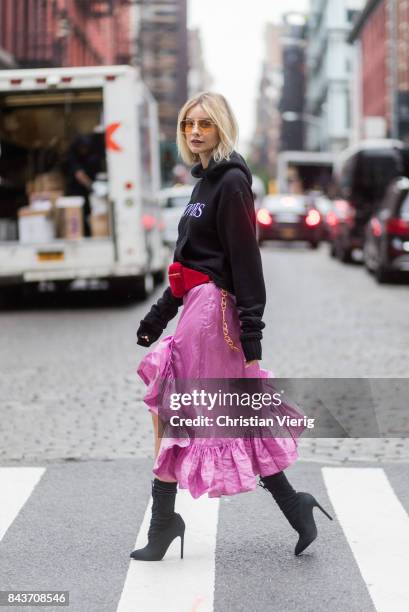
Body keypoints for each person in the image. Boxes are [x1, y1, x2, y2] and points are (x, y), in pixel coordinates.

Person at [130, 92, 333, 562]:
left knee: (182, 411)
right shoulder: (202, 184)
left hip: (214, 317)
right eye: (187, 125)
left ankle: (164, 525)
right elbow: (185, 268)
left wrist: (251, 338)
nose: (195, 132)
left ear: (222, 127)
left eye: (204, 123)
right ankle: (294, 506)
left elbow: (246, 265)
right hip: (194, 311)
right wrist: (156, 318)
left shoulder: (232, 183)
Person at [66, 133, 105, 236]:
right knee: (81, 213)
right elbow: (79, 175)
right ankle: (82, 233)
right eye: (83, 148)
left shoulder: (92, 152)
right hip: (77, 190)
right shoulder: (73, 155)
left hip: (90, 188)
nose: (85, 150)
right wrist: (92, 187)